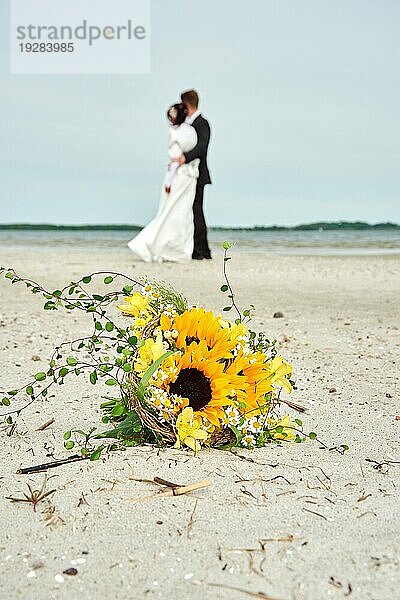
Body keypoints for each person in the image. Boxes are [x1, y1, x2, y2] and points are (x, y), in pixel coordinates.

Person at [127, 103, 199, 262]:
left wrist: (168, 181)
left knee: (168, 211)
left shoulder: (174, 132)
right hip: (190, 176)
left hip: (177, 175)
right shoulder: (191, 131)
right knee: (183, 213)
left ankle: (156, 244)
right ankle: (179, 249)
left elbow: (174, 160)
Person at [178, 90, 212, 260]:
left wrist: (184, 157)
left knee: (196, 211)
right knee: (190, 211)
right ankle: (196, 248)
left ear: (187, 104)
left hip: (197, 174)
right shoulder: (187, 124)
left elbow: (201, 148)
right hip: (186, 174)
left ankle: (201, 250)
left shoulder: (202, 123)